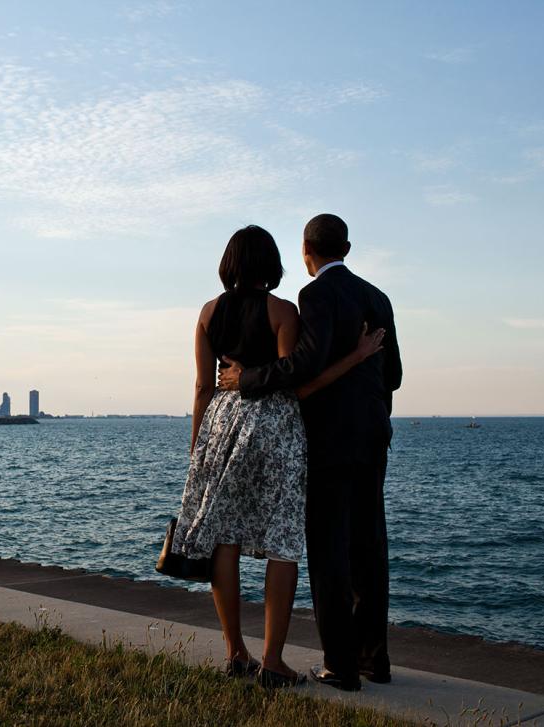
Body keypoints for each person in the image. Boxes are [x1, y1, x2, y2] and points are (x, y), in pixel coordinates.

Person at [170, 225, 384, 689]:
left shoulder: (206, 314)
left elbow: (203, 387)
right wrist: (355, 357)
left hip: (220, 425)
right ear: (272, 264)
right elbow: (299, 384)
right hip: (275, 428)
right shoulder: (282, 311)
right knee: (282, 540)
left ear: (228, 263)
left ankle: (235, 653)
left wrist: (197, 448)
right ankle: (273, 659)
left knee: (222, 536)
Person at [219, 214, 402, 692]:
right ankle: (373, 661)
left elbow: (304, 363)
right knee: (369, 548)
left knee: (328, 553)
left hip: (329, 440)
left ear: (307, 252)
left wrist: (247, 379)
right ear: (348, 247)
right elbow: (395, 373)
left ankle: (341, 666)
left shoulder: (316, 295)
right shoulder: (378, 297)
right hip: (373, 435)